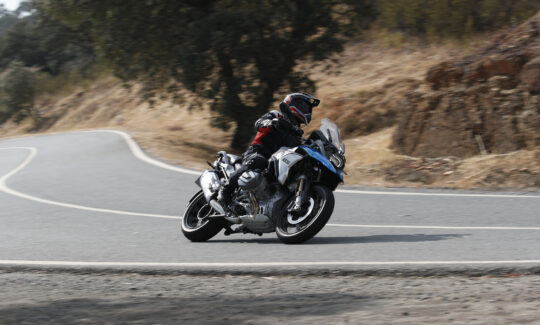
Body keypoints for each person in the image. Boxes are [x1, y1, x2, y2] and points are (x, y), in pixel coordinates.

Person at [217, 92, 320, 211]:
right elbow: (259, 124)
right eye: (304, 106)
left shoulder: (297, 134)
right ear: (292, 103)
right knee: (258, 161)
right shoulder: (276, 116)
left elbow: (302, 148)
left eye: (308, 109)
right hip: (258, 152)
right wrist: (272, 122)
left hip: (276, 164)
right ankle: (226, 189)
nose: (307, 111)